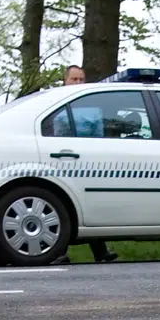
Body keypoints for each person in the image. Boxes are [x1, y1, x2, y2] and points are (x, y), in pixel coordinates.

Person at [56, 64, 117, 265]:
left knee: (91, 206)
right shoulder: (56, 104)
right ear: (65, 81)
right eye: (74, 79)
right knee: (63, 207)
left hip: (88, 161)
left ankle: (101, 252)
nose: (78, 83)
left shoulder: (92, 108)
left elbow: (98, 136)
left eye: (81, 79)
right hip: (63, 161)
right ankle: (59, 253)